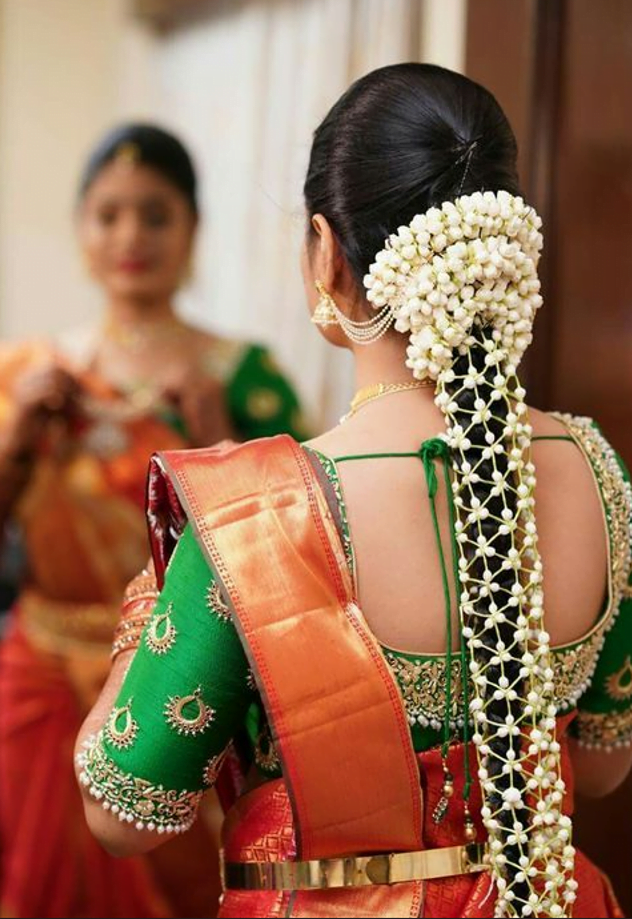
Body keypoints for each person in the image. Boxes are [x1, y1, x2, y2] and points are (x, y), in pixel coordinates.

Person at [75, 67, 632, 919]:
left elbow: (123, 812)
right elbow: (599, 763)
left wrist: (156, 597)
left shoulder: (254, 515)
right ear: (505, 252)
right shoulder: (596, 469)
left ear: (327, 252)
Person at [0, 123, 306, 919]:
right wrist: (14, 445)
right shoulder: (26, 380)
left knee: (198, 889)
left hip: (190, 676)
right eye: (109, 214)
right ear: (81, 229)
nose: (131, 235)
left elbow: (301, 558)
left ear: (193, 229)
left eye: (156, 214)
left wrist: (212, 441)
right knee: (42, 887)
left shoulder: (244, 378)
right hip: (42, 678)